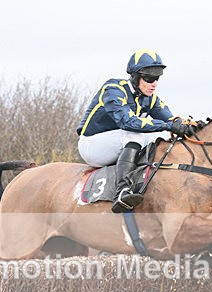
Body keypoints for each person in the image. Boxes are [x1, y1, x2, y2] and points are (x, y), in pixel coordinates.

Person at [77, 49, 196, 213]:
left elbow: (170, 120)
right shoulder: (113, 90)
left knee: (162, 136)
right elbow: (127, 122)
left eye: (157, 78)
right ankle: (122, 191)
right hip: (91, 145)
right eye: (149, 78)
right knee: (134, 134)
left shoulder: (150, 98)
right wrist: (168, 125)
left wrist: (191, 126)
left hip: (117, 145)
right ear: (134, 76)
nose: (154, 83)